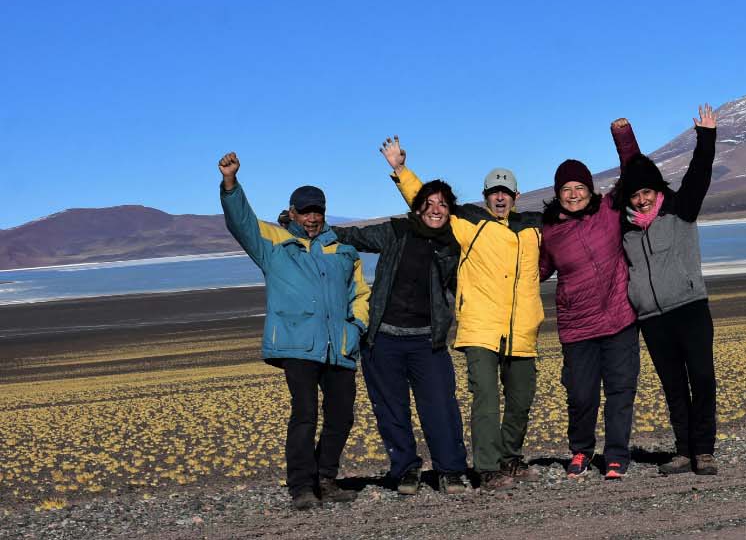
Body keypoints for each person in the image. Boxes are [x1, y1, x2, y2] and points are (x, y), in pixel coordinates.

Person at [380, 137, 544, 490]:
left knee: (520, 402)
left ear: (516, 197)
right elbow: (429, 209)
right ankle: (487, 469)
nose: (500, 198)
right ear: (485, 197)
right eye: (493, 192)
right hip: (481, 328)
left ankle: (510, 459)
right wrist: (400, 170)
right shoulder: (469, 224)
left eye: (506, 193)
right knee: (485, 400)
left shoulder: (533, 228)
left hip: (523, 330)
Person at [215, 152, 370, 510]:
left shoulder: (342, 249)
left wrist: (356, 326)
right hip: (298, 346)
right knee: (304, 414)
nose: (312, 218)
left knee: (342, 416)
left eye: (317, 211)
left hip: (339, 346)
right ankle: (302, 486)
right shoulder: (275, 244)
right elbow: (242, 223)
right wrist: (230, 183)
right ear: (293, 212)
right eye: (305, 211)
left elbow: (360, 292)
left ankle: (326, 478)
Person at [331, 180, 470, 495]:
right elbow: (353, 236)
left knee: (440, 407)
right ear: (418, 206)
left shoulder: (452, 244)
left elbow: (466, 283)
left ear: (450, 212)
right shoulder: (396, 231)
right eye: (430, 203)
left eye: (443, 205)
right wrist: (313, 229)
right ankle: (405, 469)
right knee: (391, 409)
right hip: (384, 340)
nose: (436, 210)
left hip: (427, 342)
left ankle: (451, 470)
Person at [611, 105, 721, 475]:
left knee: (702, 378)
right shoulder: (624, 227)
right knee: (674, 387)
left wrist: (706, 137)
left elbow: (698, 175)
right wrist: (623, 140)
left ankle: (704, 450)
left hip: (689, 306)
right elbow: (627, 173)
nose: (641, 200)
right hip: (653, 319)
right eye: (635, 194)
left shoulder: (680, 210)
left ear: (657, 190)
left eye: (646, 192)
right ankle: (684, 451)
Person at [539, 159, 638, 480]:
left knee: (620, 390)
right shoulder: (550, 231)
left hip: (619, 318)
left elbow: (633, 168)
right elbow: (537, 271)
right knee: (581, 394)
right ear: (557, 194)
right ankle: (581, 449)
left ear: (590, 189)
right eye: (566, 189)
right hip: (577, 326)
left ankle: (616, 455)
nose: (573, 194)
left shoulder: (609, 210)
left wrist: (621, 134)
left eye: (579, 188)